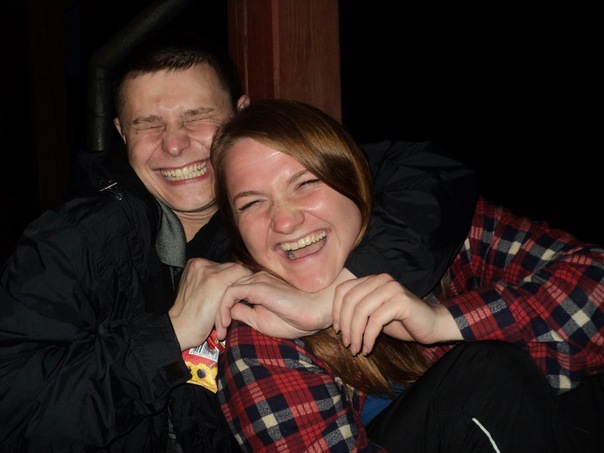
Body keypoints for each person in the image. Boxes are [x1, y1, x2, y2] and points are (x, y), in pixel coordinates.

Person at [0, 31, 480, 451]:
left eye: (197, 117)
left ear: (240, 114)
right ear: (122, 133)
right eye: (149, 124)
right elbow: (14, 417)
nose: (174, 144)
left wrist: (338, 293)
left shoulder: (288, 191)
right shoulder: (68, 243)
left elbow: (432, 174)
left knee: (485, 379)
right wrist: (169, 335)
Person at [209, 98, 604, 452]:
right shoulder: (258, 336)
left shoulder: (443, 239)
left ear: (353, 179)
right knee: (485, 377)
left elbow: (595, 282)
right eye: (252, 204)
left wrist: (440, 322)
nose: (284, 221)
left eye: (306, 183)